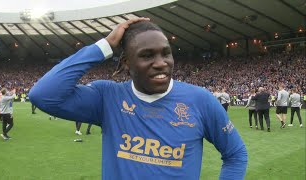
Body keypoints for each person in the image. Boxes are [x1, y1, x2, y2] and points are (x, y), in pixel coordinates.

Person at [29, 18, 247, 180]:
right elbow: (43, 95)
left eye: (166, 53)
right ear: (126, 63)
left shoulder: (200, 100)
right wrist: (105, 45)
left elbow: (235, 154)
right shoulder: (107, 97)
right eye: (147, 55)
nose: (161, 62)